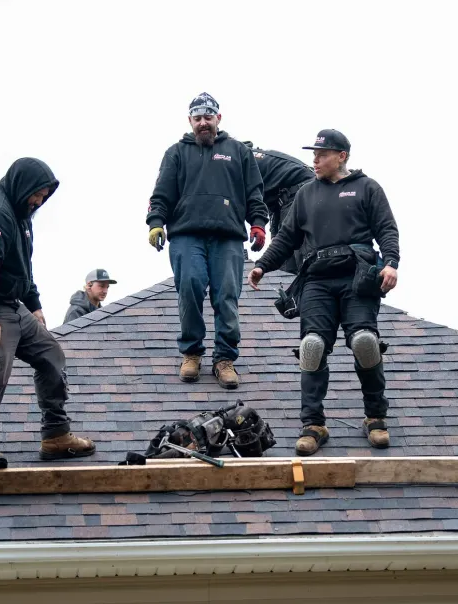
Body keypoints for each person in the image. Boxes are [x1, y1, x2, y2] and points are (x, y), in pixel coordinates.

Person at [248, 129, 400, 456]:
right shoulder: (306, 194)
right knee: (312, 346)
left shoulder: (367, 188)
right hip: (316, 279)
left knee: (364, 342)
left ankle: (376, 417)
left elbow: (387, 228)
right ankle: (313, 424)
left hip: (357, 276)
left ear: (341, 156)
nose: (314, 160)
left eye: (322, 154)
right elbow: (286, 237)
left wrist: (390, 263)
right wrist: (263, 265)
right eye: (313, 154)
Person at [0, 157, 95, 469]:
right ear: (22, 186)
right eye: (37, 194)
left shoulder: (20, 214)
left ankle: (55, 436)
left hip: (12, 304)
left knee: (51, 356)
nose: (40, 201)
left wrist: (35, 304)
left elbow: (21, 267)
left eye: (45, 195)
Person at [146, 92, 268, 389]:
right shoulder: (176, 153)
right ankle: (191, 353)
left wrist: (258, 224)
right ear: (190, 121)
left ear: (218, 118)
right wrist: (156, 223)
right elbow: (161, 194)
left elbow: (255, 193)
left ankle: (224, 359)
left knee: (226, 295)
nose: (203, 123)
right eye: (197, 118)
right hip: (187, 234)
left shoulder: (238, 151)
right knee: (189, 286)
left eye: (208, 117)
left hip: (227, 237)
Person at [241, 141, 315, 274]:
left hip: (303, 193)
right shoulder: (256, 160)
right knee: (285, 263)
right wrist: (274, 233)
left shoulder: (239, 159)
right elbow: (271, 201)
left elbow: (237, 203)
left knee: (299, 258)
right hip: (289, 198)